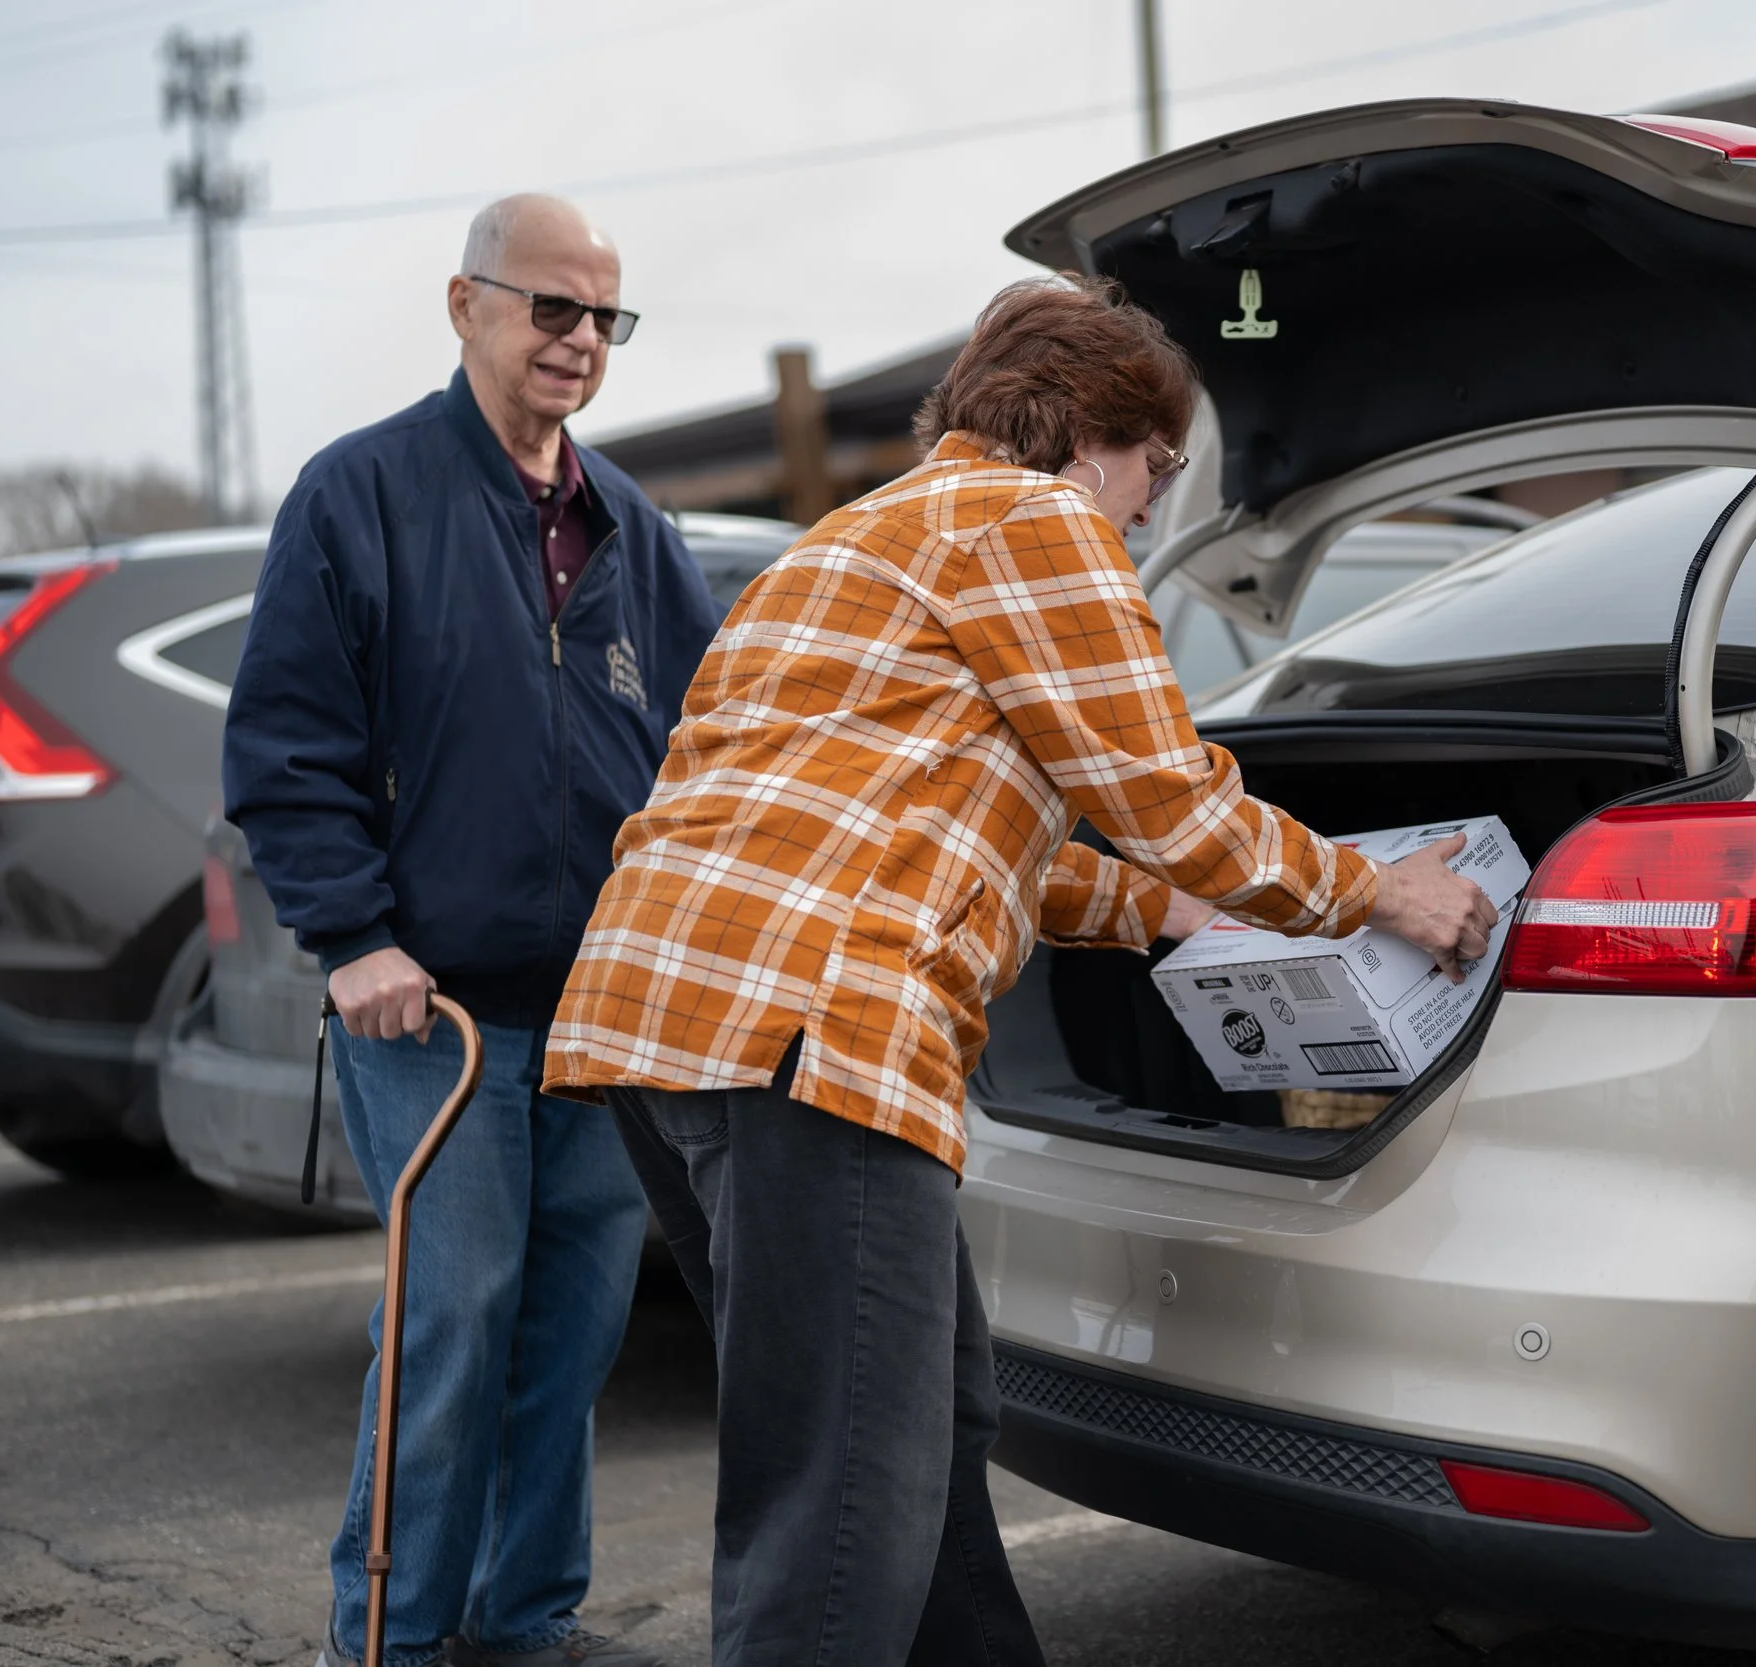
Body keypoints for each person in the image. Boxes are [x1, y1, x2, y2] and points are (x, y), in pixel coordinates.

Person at [542, 275, 1496, 1666]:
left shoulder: (852, 538)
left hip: (667, 1018)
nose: (1155, 507)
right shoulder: (1037, 518)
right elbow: (1167, 792)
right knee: (842, 1490)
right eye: (1158, 467)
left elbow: (944, 819)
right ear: (1095, 430)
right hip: (818, 1033)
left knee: (917, 1424)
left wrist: (1172, 919)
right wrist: (1373, 889)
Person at [221, 194, 719, 1667]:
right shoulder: (360, 494)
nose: (576, 341)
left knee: (571, 1333)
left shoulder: (633, 526)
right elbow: (286, 750)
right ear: (464, 305)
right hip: (428, 1013)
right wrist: (354, 934)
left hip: (600, 1015)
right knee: (457, 1318)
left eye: (601, 319)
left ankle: (528, 1625)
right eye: (549, 309)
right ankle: (389, 1637)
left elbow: (701, 749)